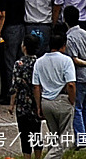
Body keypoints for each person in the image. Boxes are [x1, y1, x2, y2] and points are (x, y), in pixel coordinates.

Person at [32, 29, 76, 159]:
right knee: (66, 138)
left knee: (54, 136)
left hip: (46, 101)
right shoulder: (66, 61)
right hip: (62, 100)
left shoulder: (39, 61)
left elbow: (36, 86)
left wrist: (39, 106)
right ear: (63, 46)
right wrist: (72, 100)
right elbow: (71, 84)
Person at [61, 4, 86, 148]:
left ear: (65, 20)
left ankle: (81, 139)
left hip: (79, 77)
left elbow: (74, 59)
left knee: (77, 108)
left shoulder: (69, 38)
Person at [8, 34, 44, 159]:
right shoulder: (40, 62)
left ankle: (27, 157)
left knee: (24, 134)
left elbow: (15, 85)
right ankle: (38, 157)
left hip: (22, 103)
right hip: (36, 102)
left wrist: (12, 104)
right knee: (37, 132)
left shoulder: (19, 64)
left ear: (24, 47)